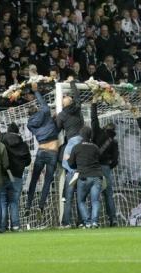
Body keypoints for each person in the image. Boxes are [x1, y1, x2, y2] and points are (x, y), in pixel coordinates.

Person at [25, 83, 60, 218]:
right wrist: (36, 92)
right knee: (47, 181)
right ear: (36, 110)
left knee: (34, 180)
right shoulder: (45, 112)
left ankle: (28, 205)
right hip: (52, 152)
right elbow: (42, 103)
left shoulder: (29, 124)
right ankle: (41, 206)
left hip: (41, 151)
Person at [57, 79, 85, 227]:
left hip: (73, 140)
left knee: (65, 162)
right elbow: (78, 96)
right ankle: (81, 222)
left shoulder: (61, 115)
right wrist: (73, 83)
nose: (64, 98)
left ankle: (72, 171)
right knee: (80, 196)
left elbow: (57, 129)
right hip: (82, 140)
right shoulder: (77, 107)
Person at [91, 95, 119, 227]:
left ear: (104, 127)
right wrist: (108, 165)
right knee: (108, 194)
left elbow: (94, 119)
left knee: (94, 194)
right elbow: (115, 160)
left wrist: (94, 103)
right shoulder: (114, 142)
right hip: (106, 168)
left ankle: (93, 220)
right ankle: (113, 219)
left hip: (95, 167)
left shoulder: (97, 133)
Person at [68, 126, 103, 228]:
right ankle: (95, 222)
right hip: (97, 176)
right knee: (95, 201)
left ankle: (87, 222)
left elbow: (71, 164)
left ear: (80, 135)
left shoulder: (76, 147)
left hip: (83, 176)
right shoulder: (95, 147)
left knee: (81, 201)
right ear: (90, 135)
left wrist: (78, 165)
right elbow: (99, 159)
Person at [0, 122, 31, 231]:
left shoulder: (2, 142)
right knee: (14, 202)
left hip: (4, 175)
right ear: (18, 132)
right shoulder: (23, 145)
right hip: (17, 176)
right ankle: (16, 225)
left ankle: (2, 226)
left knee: (2, 202)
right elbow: (28, 162)